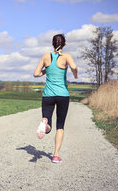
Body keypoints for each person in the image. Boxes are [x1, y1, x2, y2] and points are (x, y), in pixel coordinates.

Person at [33, 33, 78, 163]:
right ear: (64, 44)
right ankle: (56, 155)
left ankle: (45, 124)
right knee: (60, 126)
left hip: (48, 95)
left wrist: (47, 70)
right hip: (63, 95)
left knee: (48, 123)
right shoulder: (67, 56)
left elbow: (36, 74)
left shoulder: (46, 56)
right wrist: (75, 73)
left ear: (53, 43)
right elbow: (74, 67)